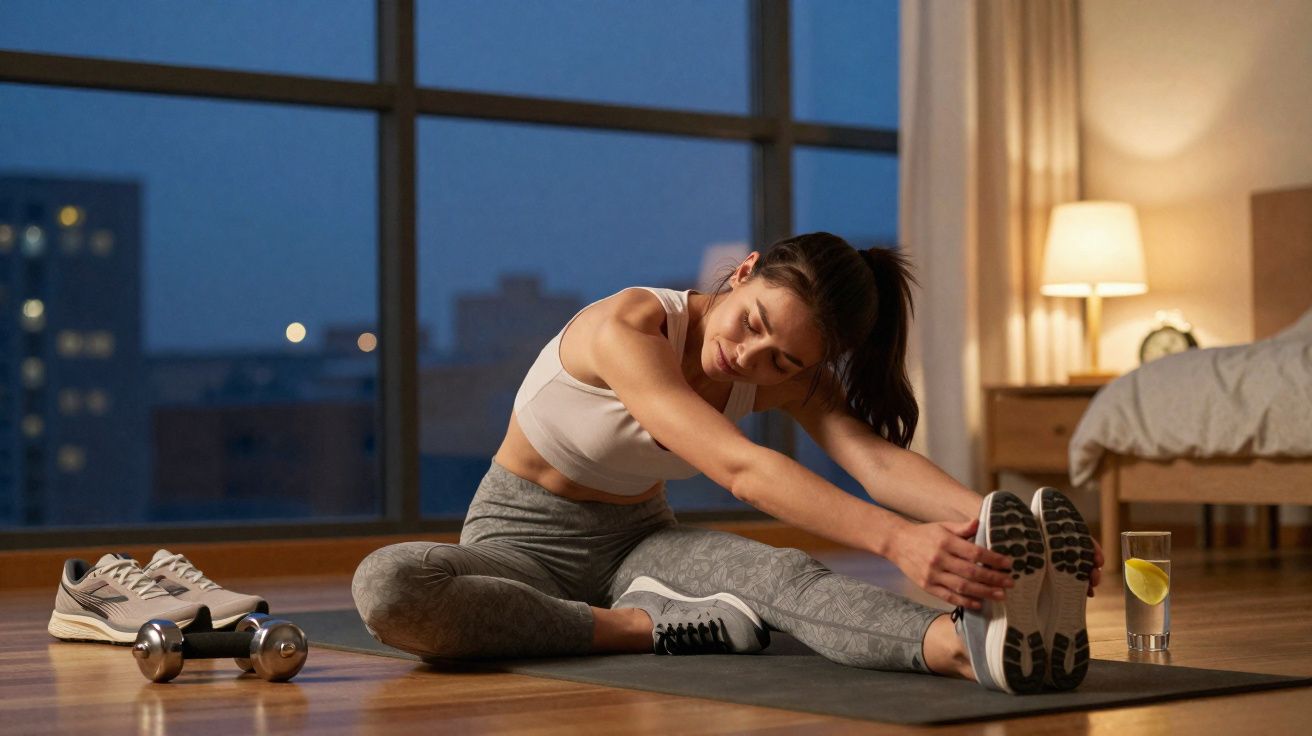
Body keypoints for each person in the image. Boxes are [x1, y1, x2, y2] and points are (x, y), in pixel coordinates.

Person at [352, 232, 1103, 694]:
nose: (747, 357)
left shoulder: (784, 370)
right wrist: (893, 539)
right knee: (391, 586)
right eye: (753, 324)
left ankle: (974, 651)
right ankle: (646, 629)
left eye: (781, 360)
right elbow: (738, 468)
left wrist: (999, 526)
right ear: (743, 272)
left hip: (638, 542)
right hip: (516, 544)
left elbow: (873, 461)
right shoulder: (630, 325)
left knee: (785, 578)